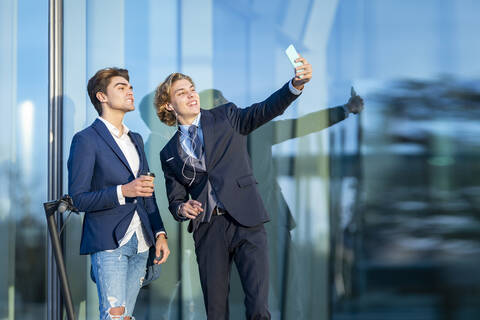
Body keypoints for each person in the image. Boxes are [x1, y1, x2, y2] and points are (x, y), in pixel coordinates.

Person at [154, 54, 314, 319]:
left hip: (247, 221)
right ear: (169, 106)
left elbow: (265, 109)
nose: (192, 95)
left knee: (258, 308)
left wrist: (294, 85)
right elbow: (174, 201)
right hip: (209, 230)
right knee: (216, 311)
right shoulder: (168, 153)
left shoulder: (225, 116)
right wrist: (183, 208)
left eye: (192, 89)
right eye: (182, 93)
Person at [67, 67, 170, 320]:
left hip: (142, 241)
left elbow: (147, 191)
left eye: (130, 87)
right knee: (114, 316)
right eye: (121, 87)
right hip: (109, 241)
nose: (130, 92)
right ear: (102, 97)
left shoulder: (135, 139)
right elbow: (78, 199)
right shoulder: (86, 140)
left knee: (125, 317)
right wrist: (123, 191)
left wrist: (160, 233)